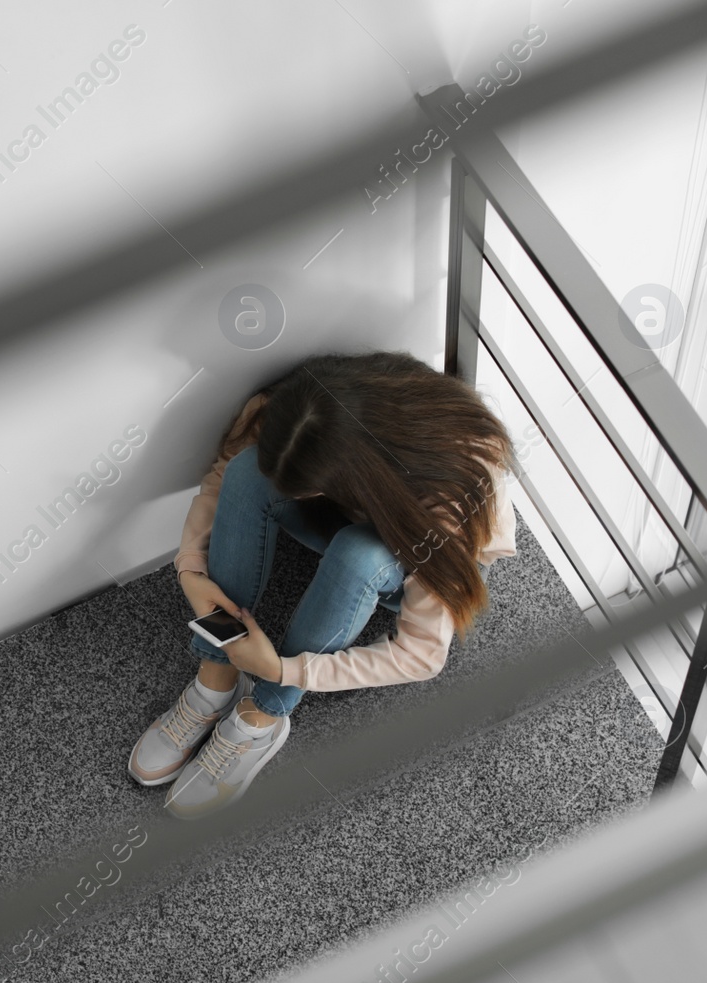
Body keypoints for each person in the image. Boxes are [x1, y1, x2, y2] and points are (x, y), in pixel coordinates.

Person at [128, 351, 518, 819]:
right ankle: (216, 680)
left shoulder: (447, 504)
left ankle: (263, 716)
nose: (291, 495)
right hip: (359, 505)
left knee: (359, 554)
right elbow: (223, 478)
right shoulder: (309, 404)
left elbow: (422, 656)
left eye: (303, 489)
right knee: (248, 472)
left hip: (415, 555)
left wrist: (282, 671)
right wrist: (190, 568)